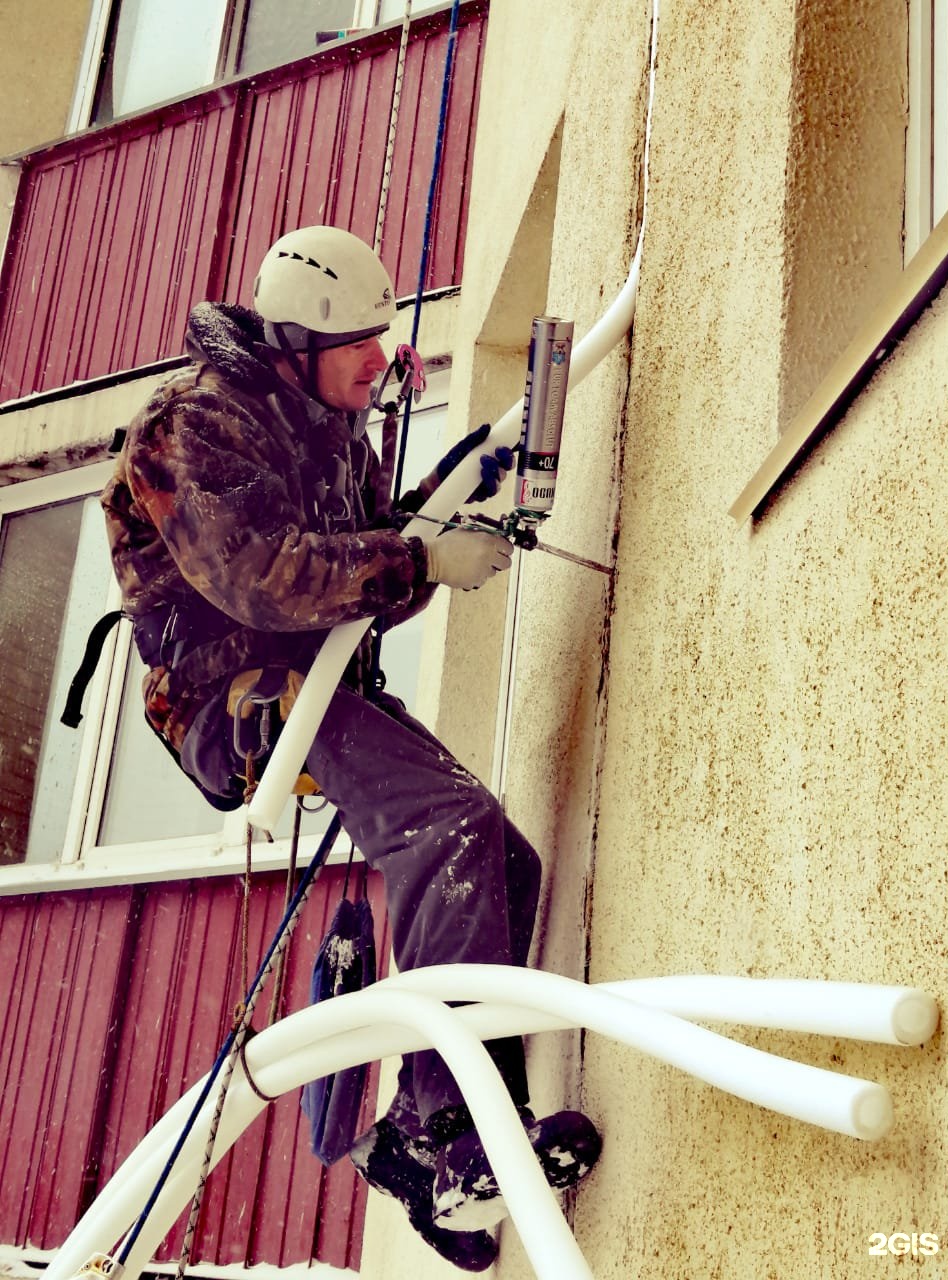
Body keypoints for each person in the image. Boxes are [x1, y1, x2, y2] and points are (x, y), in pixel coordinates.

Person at [101, 225, 601, 1270]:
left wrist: (437, 545)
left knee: (499, 854)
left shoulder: (337, 427)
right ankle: (446, 1133)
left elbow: (361, 570)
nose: (381, 362)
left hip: (319, 676)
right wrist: (417, 553)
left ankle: (440, 1133)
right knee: (447, 828)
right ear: (291, 343)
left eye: (382, 340)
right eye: (358, 344)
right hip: (236, 694)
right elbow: (263, 574)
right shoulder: (191, 427)